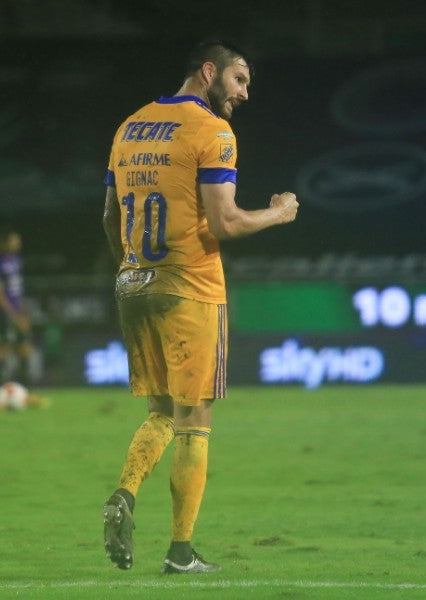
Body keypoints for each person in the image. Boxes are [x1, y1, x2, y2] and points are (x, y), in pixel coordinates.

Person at [100, 41, 299, 574]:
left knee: (160, 411)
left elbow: (108, 216)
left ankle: (124, 492)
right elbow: (226, 223)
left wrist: (132, 266)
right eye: (238, 79)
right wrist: (279, 214)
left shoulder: (129, 127)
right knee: (195, 416)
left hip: (133, 281)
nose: (244, 93)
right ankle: (181, 552)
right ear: (208, 71)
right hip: (189, 285)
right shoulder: (212, 132)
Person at [0, 227, 33, 406]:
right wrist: (13, 315)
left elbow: (16, 292)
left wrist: (23, 313)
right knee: (1, 352)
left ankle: (25, 394)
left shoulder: (16, 260)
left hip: (16, 313)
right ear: (4, 242)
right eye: (14, 240)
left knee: (24, 349)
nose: (18, 244)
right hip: (3, 314)